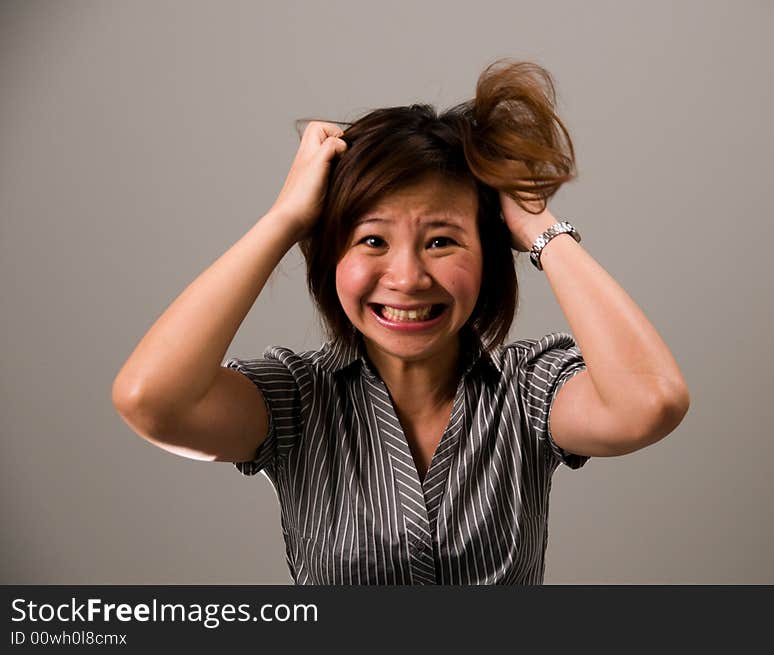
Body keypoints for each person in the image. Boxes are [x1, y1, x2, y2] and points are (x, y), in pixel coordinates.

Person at [112, 59, 690, 584]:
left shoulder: (528, 391)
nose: (408, 277)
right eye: (372, 240)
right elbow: (151, 400)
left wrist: (537, 223)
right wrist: (287, 218)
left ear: (489, 255)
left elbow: (651, 403)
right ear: (332, 256)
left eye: (442, 240)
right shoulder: (294, 399)